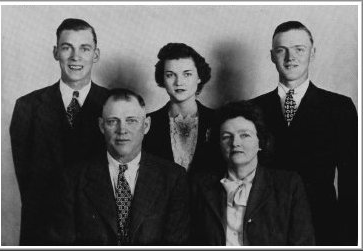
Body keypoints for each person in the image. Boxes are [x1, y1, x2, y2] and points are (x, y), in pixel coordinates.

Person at [252, 21, 357, 245]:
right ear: (272, 56)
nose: (291, 58)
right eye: (282, 50)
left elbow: (352, 179)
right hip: (266, 225)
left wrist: (349, 237)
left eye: (299, 49)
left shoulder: (339, 107)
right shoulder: (253, 109)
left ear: (313, 53)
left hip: (322, 224)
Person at [9, 18, 108, 245]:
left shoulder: (113, 104)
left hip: (98, 232)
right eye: (67, 48)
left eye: (85, 48)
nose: (76, 57)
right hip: (43, 230)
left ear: (96, 54)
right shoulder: (28, 107)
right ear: (56, 53)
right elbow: (26, 180)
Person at [50, 88, 190, 245]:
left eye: (131, 120)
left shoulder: (172, 178)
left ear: (146, 125)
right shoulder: (72, 179)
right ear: (102, 126)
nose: (122, 130)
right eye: (112, 121)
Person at [190, 101, 315, 246]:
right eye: (226, 137)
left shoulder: (288, 185)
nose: (235, 143)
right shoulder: (200, 185)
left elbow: (303, 243)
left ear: (260, 142)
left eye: (244, 135)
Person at [143, 43, 214, 175]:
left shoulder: (217, 120)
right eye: (170, 75)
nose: (179, 82)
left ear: (199, 77)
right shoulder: (147, 123)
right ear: (162, 79)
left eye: (187, 74)